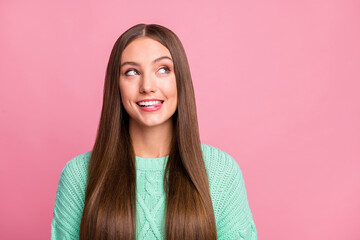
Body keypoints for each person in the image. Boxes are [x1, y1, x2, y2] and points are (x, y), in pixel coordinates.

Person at [51, 23, 257, 240]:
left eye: (163, 70)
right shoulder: (78, 176)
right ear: (116, 85)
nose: (147, 86)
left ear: (181, 80)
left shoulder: (221, 172)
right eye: (131, 72)